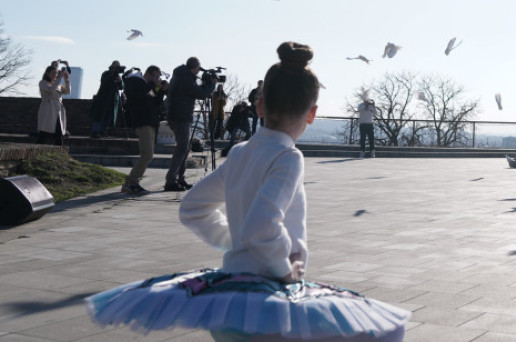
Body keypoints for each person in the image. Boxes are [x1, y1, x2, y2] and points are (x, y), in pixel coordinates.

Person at [86, 42, 410, 342]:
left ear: (259, 106)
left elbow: (193, 208)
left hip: (227, 298)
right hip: (267, 299)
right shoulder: (288, 157)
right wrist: (285, 268)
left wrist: (233, 240)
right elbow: (262, 226)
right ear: (312, 114)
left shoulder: (240, 153)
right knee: (379, 332)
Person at [164, 57, 214, 192]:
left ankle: (179, 178)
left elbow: (195, 92)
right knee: (182, 148)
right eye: (198, 69)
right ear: (195, 68)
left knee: (185, 148)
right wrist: (211, 85)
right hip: (180, 117)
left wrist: (205, 84)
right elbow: (201, 94)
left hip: (179, 115)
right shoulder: (184, 79)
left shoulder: (182, 76)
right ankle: (170, 181)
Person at [121, 65, 163, 195]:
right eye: (156, 76)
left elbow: (155, 103)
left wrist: (161, 90)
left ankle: (132, 183)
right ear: (148, 74)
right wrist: (152, 84)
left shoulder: (146, 85)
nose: (158, 79)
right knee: (147, 154)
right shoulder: (135, 81)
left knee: (148, 155)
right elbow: (136, 95)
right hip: (142, 121)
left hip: (150, 122)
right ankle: (130, 183)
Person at [37, 62, 70, 145]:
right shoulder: (43, 82)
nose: (55, 75)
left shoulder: (57, 83)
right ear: (47, 74)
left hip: (58, 109)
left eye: (56, 73)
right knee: (44, 131)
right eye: (53, 73)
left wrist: (66, 80)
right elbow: (51, 90)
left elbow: (67, 92)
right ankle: (38, 149)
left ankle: (59, 150)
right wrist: (59, 78)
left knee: (59, 130)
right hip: (48, 108)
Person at [89, 61, 124, 138]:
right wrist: (112, 75)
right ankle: (95, 131)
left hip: (113, 99)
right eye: (115, 66)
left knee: (109, 116)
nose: (116, 68)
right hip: (103, 98)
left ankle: (103, 131)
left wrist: (120, 81)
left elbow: (121, 87)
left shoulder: (118, 76)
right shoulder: (106, 73)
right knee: (100, 116)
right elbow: (104, 82)